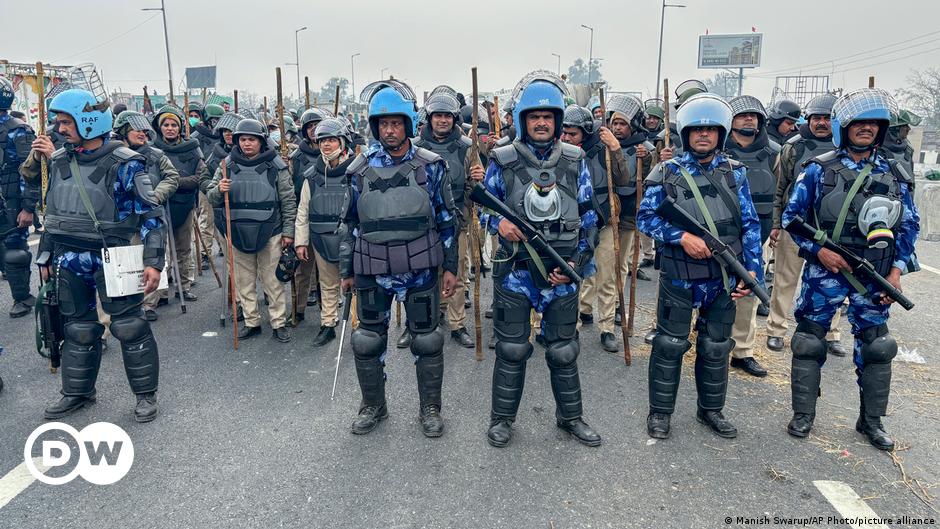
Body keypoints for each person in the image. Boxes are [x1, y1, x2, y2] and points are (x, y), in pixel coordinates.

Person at [782, 88, 919, 451]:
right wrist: (818, 251)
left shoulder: (895, 173)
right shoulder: (818, 169)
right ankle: (804, 414)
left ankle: (871, 421)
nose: (867, 129)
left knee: (877, 346)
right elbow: (792, 218)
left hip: (873, 273)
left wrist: (898, 269)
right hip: (826, 271)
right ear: (846, 126)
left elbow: (910, 226)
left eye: (874, 124)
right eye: (860, 123)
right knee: (809, 341)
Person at [21, 88, 165, 421]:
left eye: (65, 122)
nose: (59, 129)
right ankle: (77, 392)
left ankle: (145, 396)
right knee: (78, 330)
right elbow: (53, 215)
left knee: (130, 327)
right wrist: (44, 258)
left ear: (87, 121)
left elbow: (151, 216)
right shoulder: (57, 161)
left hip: (114, 257)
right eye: (58, 122)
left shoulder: (126, 162)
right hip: (69, 258)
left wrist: (153, 262)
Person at [481, 72, 601, 448]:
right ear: (522, 120)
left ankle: (571, 417)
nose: (542, 122)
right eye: (534, 116)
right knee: (512, 349)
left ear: (559, 121)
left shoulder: (576, 159)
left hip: (560, 271)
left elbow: (589, 218)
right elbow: (483, 208)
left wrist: (578, 268)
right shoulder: (501, 159)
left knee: (564, 350)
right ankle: (502, 420)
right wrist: (499, 222)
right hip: (516, 271)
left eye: (549, 117)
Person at [637, 93, 763, 440]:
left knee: (717, 345)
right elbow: (645, 219)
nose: (703, 135)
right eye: (696, 130)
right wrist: (680, 237)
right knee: (670, 344)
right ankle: (660, 413)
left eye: (710, 130)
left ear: (720, 134)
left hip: (722, 275)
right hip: (680, 274)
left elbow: (750, 224)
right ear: (686, 134)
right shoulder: (667, 172)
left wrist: (751, 271)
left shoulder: (735, 174)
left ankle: (711, 410)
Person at [338, 80, 459, 438]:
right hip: (372, 268)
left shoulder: (432, 166)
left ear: (408, 125)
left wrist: (450, 267)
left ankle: (430, 408)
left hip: (421, 267)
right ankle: (373, 405)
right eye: (383, 124)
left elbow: (448, 219)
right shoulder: (357, 170)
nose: (389, 130)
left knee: (427, 340)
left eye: (396, 123)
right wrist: (346, 271)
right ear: (374, 127)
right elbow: (348, 224)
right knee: (367, 341)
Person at [766, 94, 848, 357]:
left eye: (827, 118)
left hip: (831, 230)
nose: (822, 123)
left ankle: (832, 333)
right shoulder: (793, 148)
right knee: (785, 279)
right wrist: (777, 225)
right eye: (817, 118)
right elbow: (780, 190)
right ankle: (776, 330)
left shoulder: (845, 148)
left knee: (833, 281)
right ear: (808, 120)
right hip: (796, 225)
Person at [206, 119, 297, 343]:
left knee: (272, 281)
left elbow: (288, 200)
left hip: (271, 229)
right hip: (237, 229)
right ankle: (251, 321)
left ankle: (278, 322)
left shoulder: (276, 165)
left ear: (261, 141)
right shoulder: (226, 164)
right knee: (244, 281)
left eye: (252, 139)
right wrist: (219, 189)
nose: (247, 144)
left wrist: (288, 232)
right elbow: (211, 196)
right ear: (237, 141)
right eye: (243, 139)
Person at [412, 92, 486, 349]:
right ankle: (422, 322)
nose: (442, 121)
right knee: (422, 274)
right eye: (437, 116)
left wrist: (478, 178)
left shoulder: (467, 147)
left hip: (457, 222)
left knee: (457, 273)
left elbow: (476, 191)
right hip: (422, 225)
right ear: (429, 118)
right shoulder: (415, 147)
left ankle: (457, 324)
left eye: (447, 116)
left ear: (454, 119)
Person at [561, 104, 630, 353]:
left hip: (604, 223)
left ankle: (607, 328)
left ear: (586, 132)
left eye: (573, 134)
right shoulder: (562, 153)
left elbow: (623, 180)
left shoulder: (604, 150)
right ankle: (572, 325)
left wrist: (616, 149)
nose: (567, 138)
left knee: (607, 279)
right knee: (574, 276)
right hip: (573, 225)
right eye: (564, 133)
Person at [723, 95, 778, 378]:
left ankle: (742, 351)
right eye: (742, 115)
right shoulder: (717, 151)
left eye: (753, 116)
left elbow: (780, 193)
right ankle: (713, 345)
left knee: (749, 295)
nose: (748, 119)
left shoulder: (773, 153)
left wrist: (777, 226)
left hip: (758, 237)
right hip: (721, 235)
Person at [294, 118, 355, 346]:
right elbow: (303, 211)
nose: (326, 145)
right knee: (327, 285)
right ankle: (328, 325)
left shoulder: (356, 171)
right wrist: (301, 242)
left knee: (354, 285)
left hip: (350, 238)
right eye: (322, 141)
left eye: (331, 140)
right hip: (321, 238)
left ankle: (357, 329)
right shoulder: (311, 176)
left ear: (342, 142)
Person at [150, 105, 208, 303]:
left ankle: (184, 285)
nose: (170, 128)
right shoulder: (153, 149)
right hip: (160, 206)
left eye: (174, 124)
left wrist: (172, 183)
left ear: (180, 127)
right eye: (166, 124)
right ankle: (162, 291)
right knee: (160, 250)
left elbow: (199, 177)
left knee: (184, 248)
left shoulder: (192, 148)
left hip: (184, 204)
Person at [290, 107, 334, 319]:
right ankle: (297, 310)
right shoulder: (297, 156)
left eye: (318, 126)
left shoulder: (337, 156)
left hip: (329, 219)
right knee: (303, 269)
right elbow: (292, 187)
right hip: (305, 213)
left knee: (328, 272)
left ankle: (328, 311)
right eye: (309, 127)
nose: (314, 130)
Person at [0, 76, 37, 317]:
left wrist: (29, 207)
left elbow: (31, 172)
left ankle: (22, 298)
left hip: (12, 202)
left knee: (14, 251)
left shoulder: (18, 130)